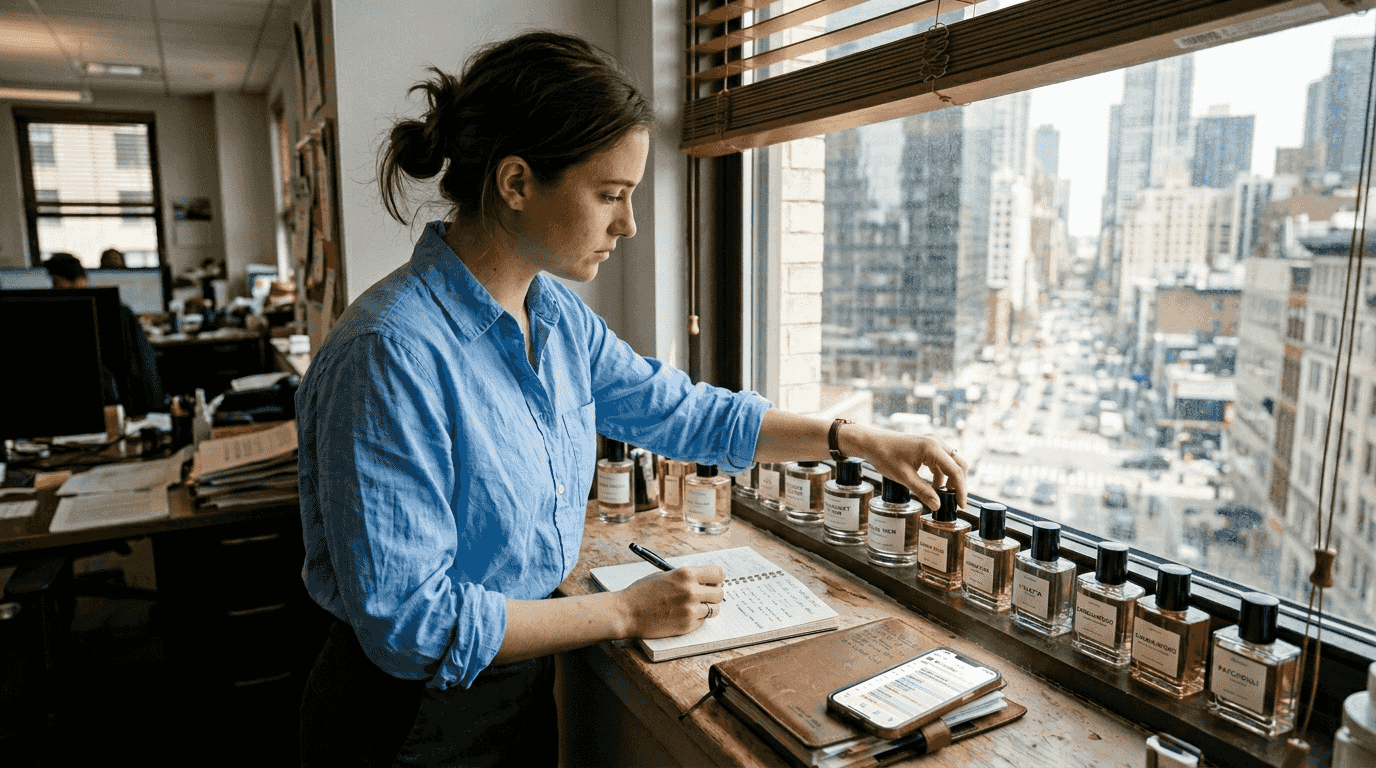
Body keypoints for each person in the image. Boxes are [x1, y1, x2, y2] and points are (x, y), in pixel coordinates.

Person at [295, 31, 967, 767]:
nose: (629, 224)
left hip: (509, 689)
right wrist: (622, 611)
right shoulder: (391, 352)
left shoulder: (553, 318)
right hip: (403, 719)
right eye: (610, 195)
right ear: (516, 184)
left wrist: (854, 439)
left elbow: (683, 412)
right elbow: (411, 623)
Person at [42, 252, 164, 416]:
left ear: (78, 281)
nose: (53, 290)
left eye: (56, 283)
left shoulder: (101, 312)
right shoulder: (117, 310)